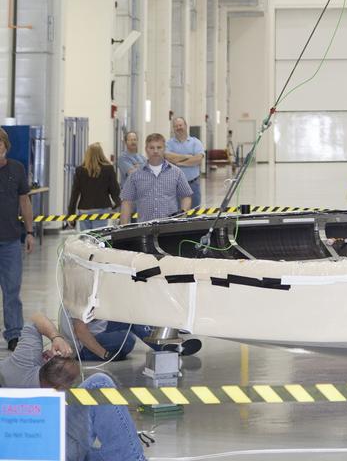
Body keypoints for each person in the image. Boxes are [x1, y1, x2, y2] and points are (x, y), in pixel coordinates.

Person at [0, 311, 147, 461]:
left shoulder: (27, 359)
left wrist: (56, 337)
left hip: (53, 441)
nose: (60, 355)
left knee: (99, 384)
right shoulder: (21, 367)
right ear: (60, 388)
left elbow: (36, 318)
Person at [0, 126, 34, 350]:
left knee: (12, 290)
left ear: (5, 146)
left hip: (11, 240)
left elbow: (25, 203)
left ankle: (14, 334)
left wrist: (29, 232)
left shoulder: (17, 169)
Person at [59, 311, 201, 362]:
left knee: (132, 317)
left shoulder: (85, 284)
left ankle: (167, 344)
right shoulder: (80, 293)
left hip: (97, 329)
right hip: (81, 347)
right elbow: (80, 331)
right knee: (127, 341)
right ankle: (167, 347)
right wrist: (105, 355)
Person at [120, 133, 191, 224]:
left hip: (170, 228)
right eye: (152, 148)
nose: (155, 151)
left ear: (164, 149)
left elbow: (186, 195)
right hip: (144, 229)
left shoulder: (176, 172)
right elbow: (127, 202)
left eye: (159, 147)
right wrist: (123, 228)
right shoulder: (135, 175)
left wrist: (183, 213)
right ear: (146, 149)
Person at [67, 143, 121, 218]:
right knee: (99, 230)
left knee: (85, 230)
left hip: (84, 209)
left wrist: (71, 213)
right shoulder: (109, 169)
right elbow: (115, 190)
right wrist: (117, 203)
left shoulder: (79, 170)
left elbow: (74, 193)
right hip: (102, 208)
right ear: (101, 154)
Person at [165, 116, 205, 210]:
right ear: (173, 128)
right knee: (177, 214)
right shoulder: (168, 144)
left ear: (186, 126)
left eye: (180, 125)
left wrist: (179, 163)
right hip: (175, 185)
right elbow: (167, 156)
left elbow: (198, 159)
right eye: (176, 126)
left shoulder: (196, 142)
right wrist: (188, 157)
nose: (179, 128)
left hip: (193, 185)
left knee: (194, 213)